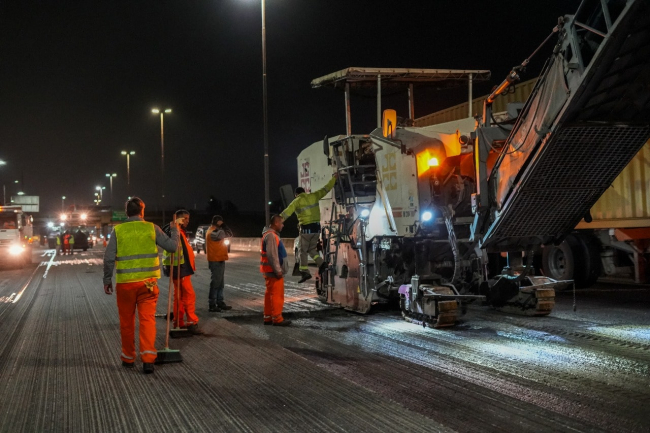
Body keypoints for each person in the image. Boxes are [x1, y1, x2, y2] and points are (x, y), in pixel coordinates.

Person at [102, 197, 179, 374]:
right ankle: (148, 360)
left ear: (126, 212)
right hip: (148, 285)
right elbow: (173, 247)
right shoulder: (152, 228)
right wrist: (175, 231)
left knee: (127, 323)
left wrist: (107, 280)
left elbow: (108, 258)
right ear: (142, 212)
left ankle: (128, 359)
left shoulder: (118, 230)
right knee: (147, 321)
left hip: (125, 286)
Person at [280, 173, 338, 283]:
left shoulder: (297, 201)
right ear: (304, 192)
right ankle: (322, 264)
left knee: (302, 251)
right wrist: (334, 178)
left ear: (296, 194)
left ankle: (304, 272)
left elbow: (287, 212)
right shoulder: (314, 196)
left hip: (306, 230)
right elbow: (326, 189)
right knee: (312, 250)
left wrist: (278, 221)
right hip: (316, 230)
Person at [162, 209, 202, 335]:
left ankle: (178, 322)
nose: (187, 221)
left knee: (179, 297)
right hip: (180, 268)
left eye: (188, 219)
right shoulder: (174, 230)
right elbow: (166, 232)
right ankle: (191, 322)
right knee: (188, 295)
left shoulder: (179, 231)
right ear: (178, 218)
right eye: (185, 218)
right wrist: (175, 225)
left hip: (180, 268)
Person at [260, 215, 290, 326]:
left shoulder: (268, 235)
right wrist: (278, 271)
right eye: (281, 223)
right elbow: (272, 255)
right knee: (277, 295)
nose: (283, 225)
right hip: (273, 272)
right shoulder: (272, 236)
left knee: (269, 295)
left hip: (268, 271)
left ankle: (267, 317)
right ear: (276, 223)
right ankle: (277, 319)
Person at [206, 215, 233, 312]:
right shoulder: (214, 232)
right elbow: (229, 233)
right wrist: (224, 225)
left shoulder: (212, 231)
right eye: (221, 222)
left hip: (218, 258)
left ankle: (219, 301)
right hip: (216, 260)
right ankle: (212, 304)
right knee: (216, 283)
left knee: (220, 283)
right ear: (218, 222)